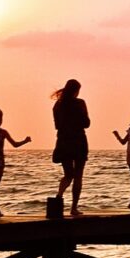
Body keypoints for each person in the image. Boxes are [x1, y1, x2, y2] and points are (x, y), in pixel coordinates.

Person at [51, 79, 91, 216]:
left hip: (63, 141)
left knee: (68, 174)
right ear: (76, 91)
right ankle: (74, 208)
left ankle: (59, 195)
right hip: (78, 140)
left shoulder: (58, 105)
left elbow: (57, 125)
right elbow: (86, 123)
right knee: (78, 175)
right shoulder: (80, 103)